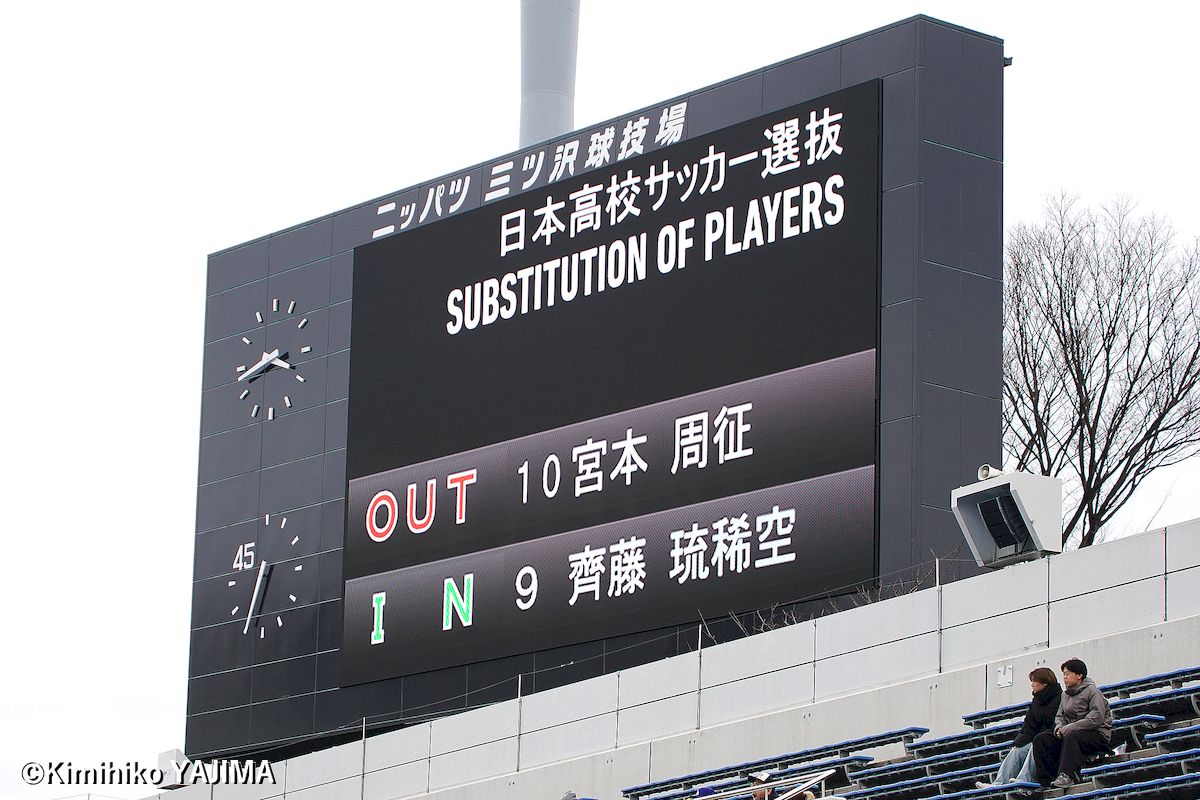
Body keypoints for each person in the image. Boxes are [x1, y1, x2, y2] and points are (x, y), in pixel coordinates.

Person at [1031, 658, 1113, 789]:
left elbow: (1095, 718)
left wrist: (1069, 728)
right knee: (1042, 739)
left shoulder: (1093, 692)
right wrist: (1059, 728)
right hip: (1071, 735)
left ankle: (1067, 775)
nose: (1065, 677)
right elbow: (1060, 716)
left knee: (1072, 735)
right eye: (1063, 674)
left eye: (1068, 674)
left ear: (1079, 675)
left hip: (1096, 736)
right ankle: (1046, 781)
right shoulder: (1065, 696)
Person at [975, 667, 1062, 788]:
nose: (1032, 684)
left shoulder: (1060, 698)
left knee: (1036, 744)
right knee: (1017, 750)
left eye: (1034, 681)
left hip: (1052, 740)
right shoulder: (1036, 701)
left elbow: (1056, 722)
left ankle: (1024, 778)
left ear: (1045, 683)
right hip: (1038, 738)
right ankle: (999, 783)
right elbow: (1029, 725)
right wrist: (1019, 741)